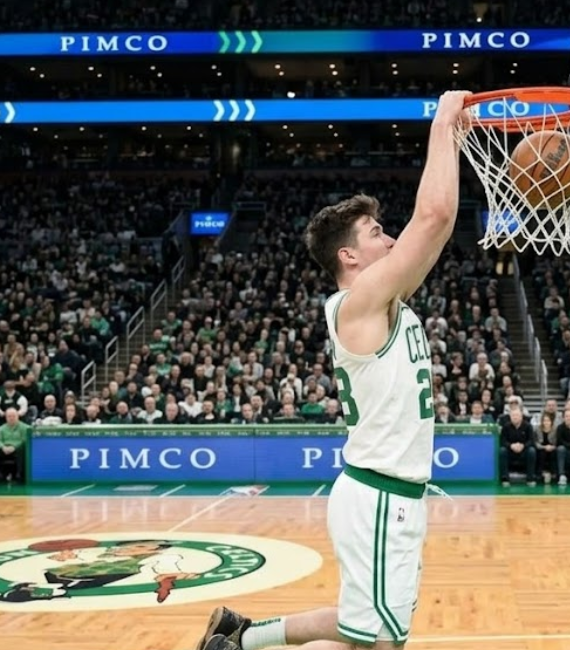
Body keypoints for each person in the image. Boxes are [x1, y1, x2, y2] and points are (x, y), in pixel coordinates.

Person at [197, 90, 472, 650]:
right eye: (375, 234)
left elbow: (434, 232)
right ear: (348, 257)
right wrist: (443, 121)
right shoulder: (359, 304)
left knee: (358, 623)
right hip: (380, 497)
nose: (390, 239)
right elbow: (436, 216)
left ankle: (239, 638)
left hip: (381, 495)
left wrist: (454, 146)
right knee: (373, 643)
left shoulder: (383, 301)